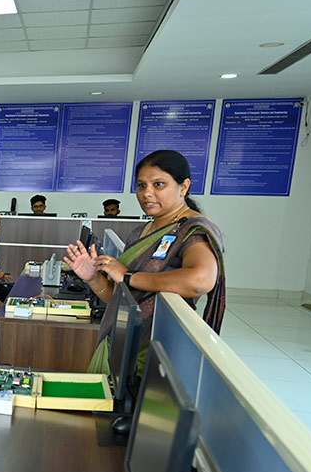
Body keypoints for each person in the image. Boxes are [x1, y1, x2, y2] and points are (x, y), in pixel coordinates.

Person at [64, 149, 226, 373]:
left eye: (159, 184)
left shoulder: (193, 230)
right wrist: (93, 278)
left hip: (151, 354)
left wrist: (129, 276)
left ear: (184, 187)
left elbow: (201, 280)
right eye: (141, 186)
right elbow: (120, 298)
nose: (147, 193)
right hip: (120, 342)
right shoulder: (142, 231)